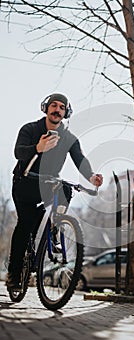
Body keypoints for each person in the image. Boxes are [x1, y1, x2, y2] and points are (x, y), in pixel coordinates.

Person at [6, 93, 103, 291]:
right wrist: (38, 147)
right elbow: (18, 152)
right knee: (26, 225)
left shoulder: (68, 138)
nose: (57, 110)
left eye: (61, 107)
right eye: (54, 105)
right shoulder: (30, 129)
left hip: (48, 185)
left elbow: (80, 159)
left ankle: (55, 229)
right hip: (25, 182)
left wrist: (92, 177)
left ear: (65, 112)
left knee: (66, 188)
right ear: (46, 108)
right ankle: (14, 274)